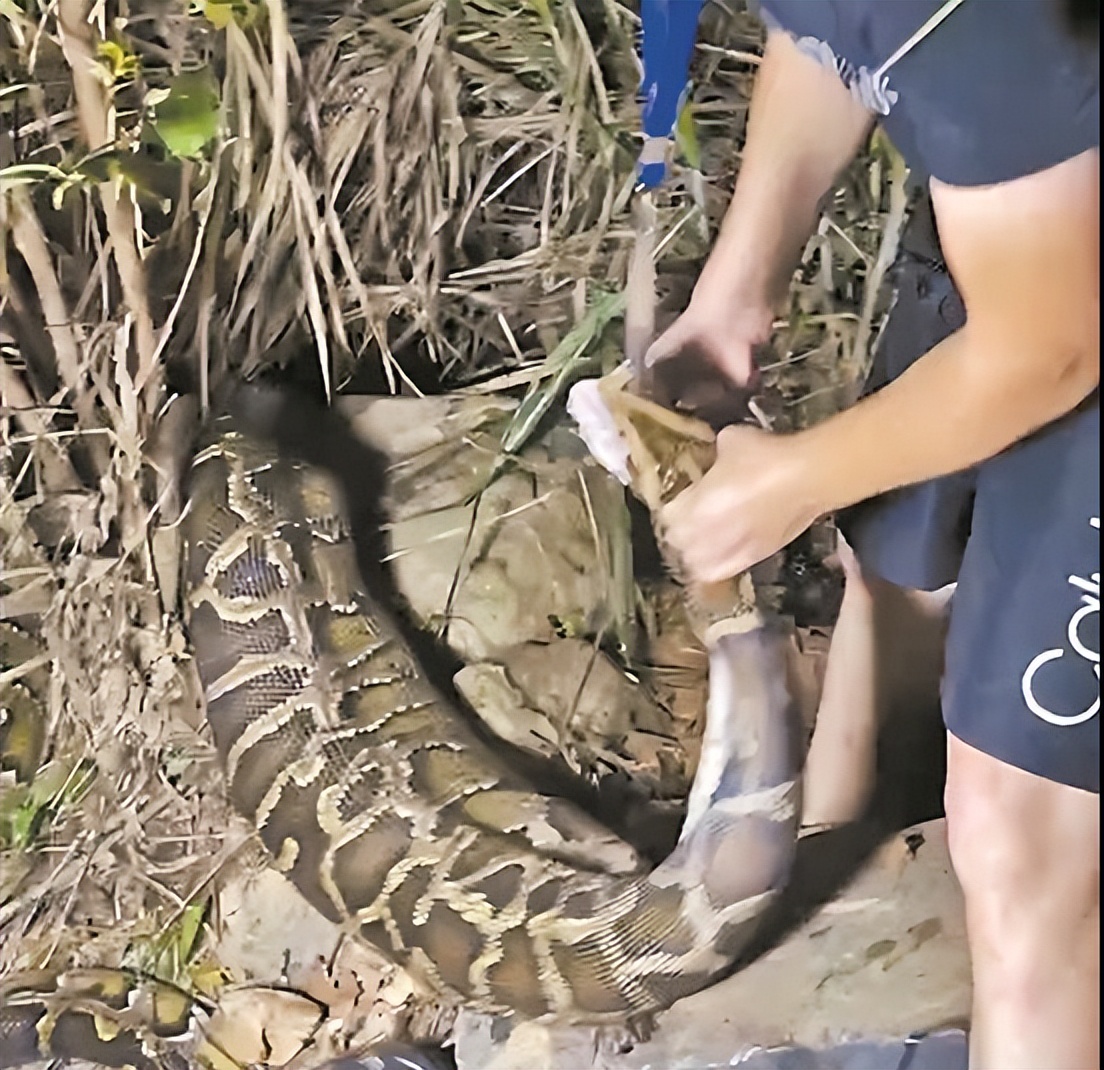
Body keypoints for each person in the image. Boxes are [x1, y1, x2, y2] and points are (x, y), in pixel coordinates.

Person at [647, 2, 1100, 1069]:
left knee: (1019, 830)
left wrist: (795, 480)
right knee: (895, 554)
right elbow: (833, 32)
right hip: (1024, 190)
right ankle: (840, 891)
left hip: (1058, 285)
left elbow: (1049, 350)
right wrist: (738, 284)